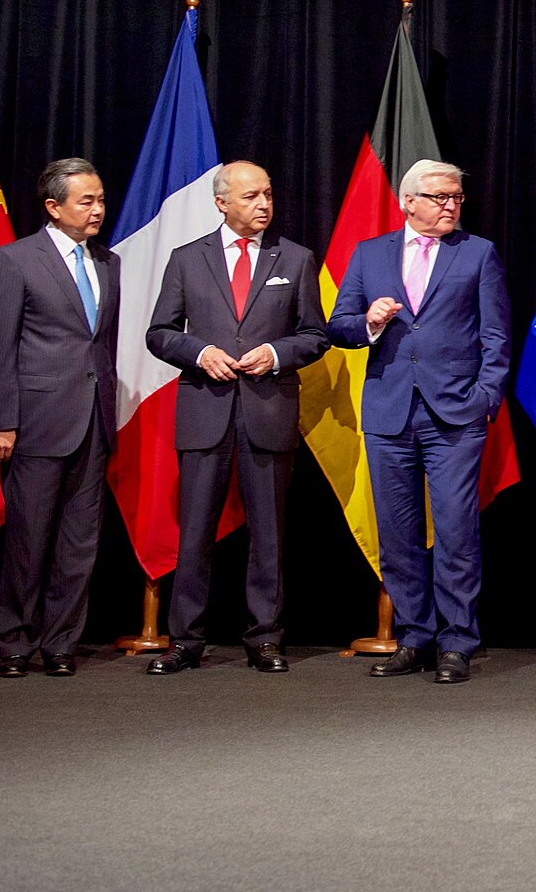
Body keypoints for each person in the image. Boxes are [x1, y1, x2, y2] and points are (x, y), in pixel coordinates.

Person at [142, 161, 330, 675]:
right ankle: (185, 640)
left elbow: (315, 335)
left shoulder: (295, 257)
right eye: (251, 196)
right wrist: (200, 352)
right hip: (205, 411)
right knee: (195, 530)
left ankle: (264, 637)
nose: (264, 204)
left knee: (268, 532)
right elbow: (159, 332)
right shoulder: (187, 259)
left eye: (268, 194)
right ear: (222, 202)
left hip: (268, 412)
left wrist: (275, 351)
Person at [328, 160, 509, 684]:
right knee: (398, 532)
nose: (451, 204)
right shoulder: (370, 254)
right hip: (388, 412)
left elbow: (496, 336)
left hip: (454, 414)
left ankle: (456, 642)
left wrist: (483, 398)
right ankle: (413, 636)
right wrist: (369, 321)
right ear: (409, 201)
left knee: (456, 530)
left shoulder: (477, 254)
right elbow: (339, 325)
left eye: (456, 197)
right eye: (439, 197)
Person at [0, 158, 120, 678]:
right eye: (86, 201)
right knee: (28, 539)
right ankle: (15, 642)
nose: (98, 210)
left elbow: (99, 346)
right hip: (36, 423)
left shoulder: (109, 263)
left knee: (79, 543)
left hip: (93, 423)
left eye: (101, 199)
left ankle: (61, 643)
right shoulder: (14, 261)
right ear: (53, 207)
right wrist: (2, 422)